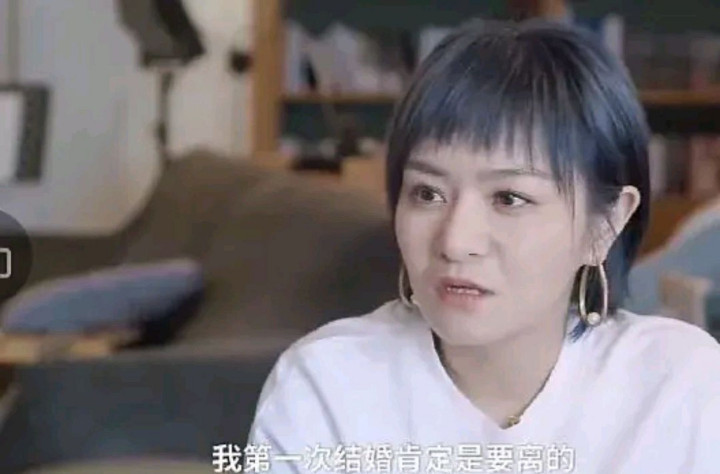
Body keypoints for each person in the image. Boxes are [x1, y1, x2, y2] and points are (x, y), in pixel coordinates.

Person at [247, 19, 720, 473]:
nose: (455, 241)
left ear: (606, 223)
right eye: (427, 194)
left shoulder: (679, 386)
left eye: (509, 198)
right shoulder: (326, 387)